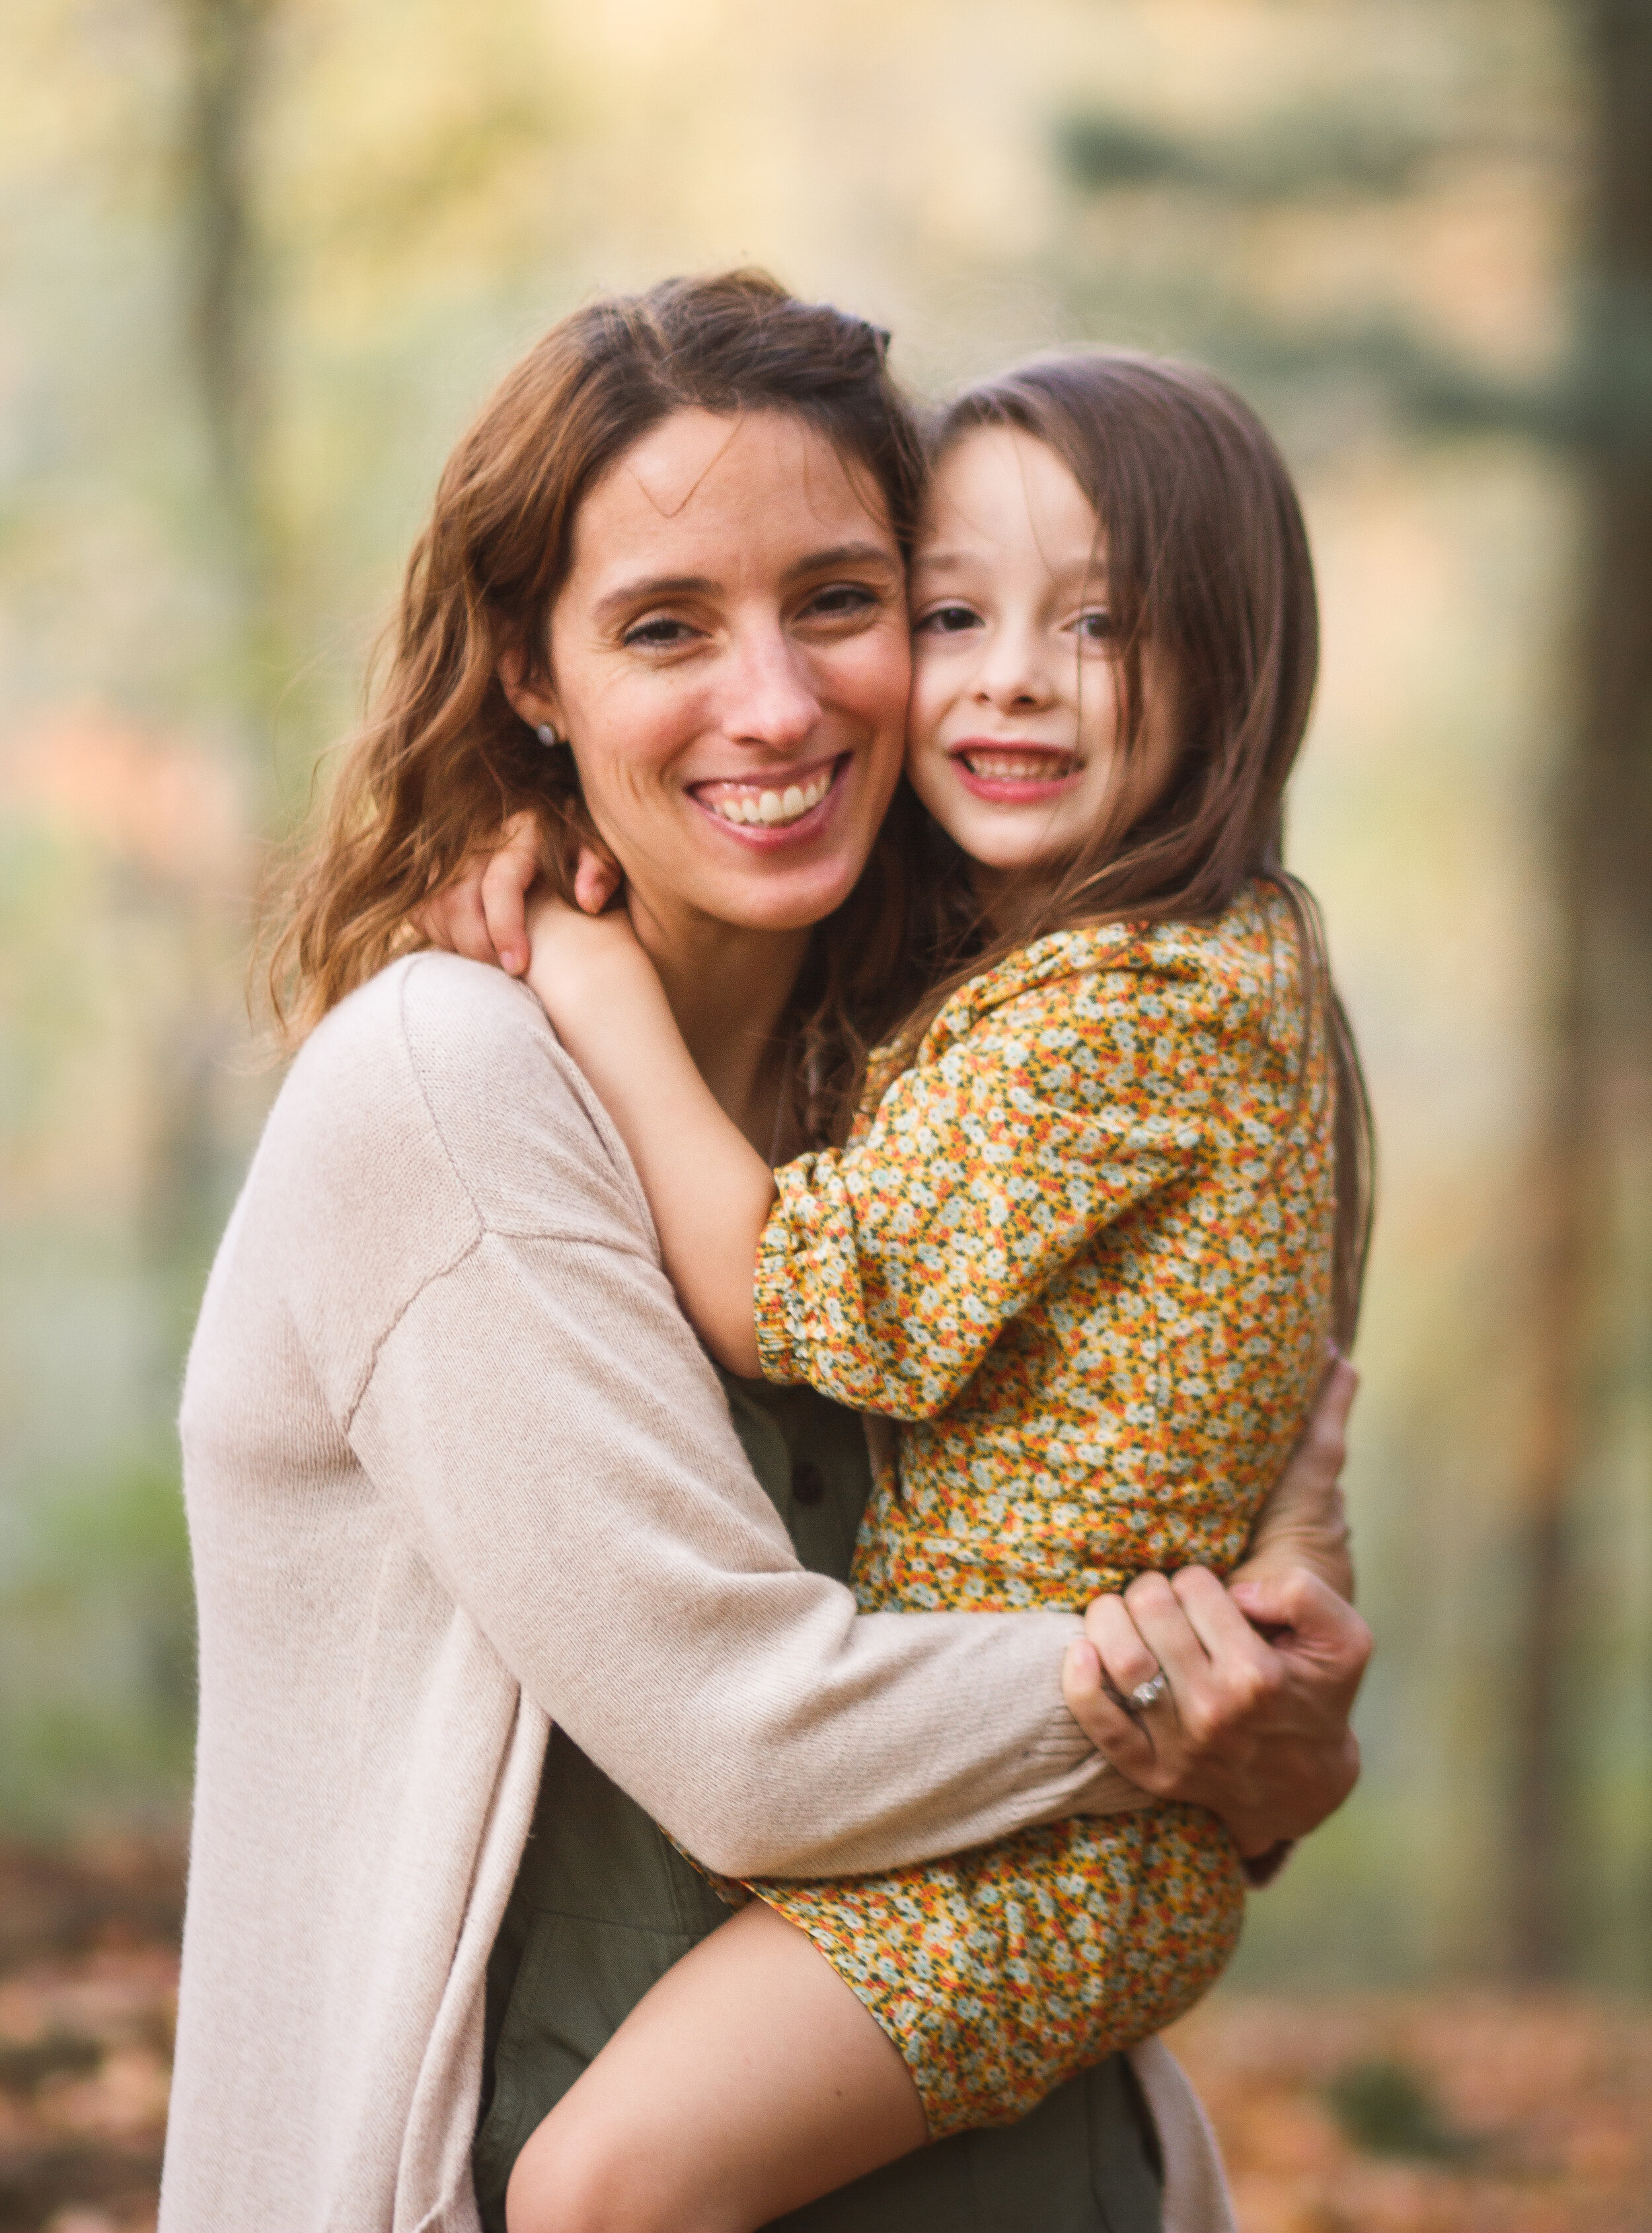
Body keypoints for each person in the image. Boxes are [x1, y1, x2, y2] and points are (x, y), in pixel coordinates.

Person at [159, 272, 1370, 2233]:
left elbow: (1160, 1623)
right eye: (663, 628)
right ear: (531, 679)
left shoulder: (950, 1064)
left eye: (841, 599)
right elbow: (753, 1745)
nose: (779, 703)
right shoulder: (450, 1078)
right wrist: (1191, 1706)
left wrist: (1272, 1749)